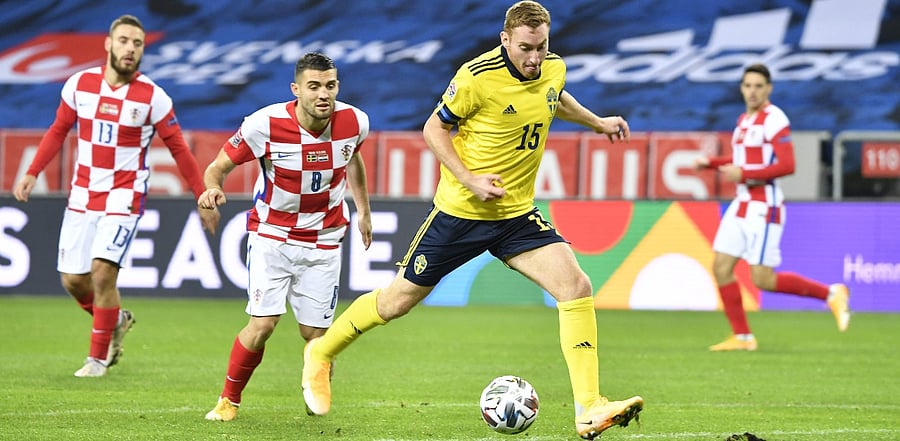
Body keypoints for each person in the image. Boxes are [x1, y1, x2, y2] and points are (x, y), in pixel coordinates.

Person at [300, 2, 642, 439]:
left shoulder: (553, 68)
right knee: (396, 302)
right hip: (460, 212)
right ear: (505, 40)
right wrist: (470, 178)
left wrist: (595, 122)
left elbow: (553, 100)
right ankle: (321, 353)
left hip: (516, 213)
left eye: (541, 47)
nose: (534, 58)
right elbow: (433, 129)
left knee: (575, 287)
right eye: (524, 48)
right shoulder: (476, 78)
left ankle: (590, 408)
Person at [13, 15, 217, 377]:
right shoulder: (80, 85)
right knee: (73, 281)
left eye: (137, 44)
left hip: (124, 196)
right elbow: (58, 130)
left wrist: (201, 196)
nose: (130, 49)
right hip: (82, 194)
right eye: (123, 41)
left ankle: (97, 358)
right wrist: (32, 172)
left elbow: (180, 150)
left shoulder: (153, 97)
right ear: (108, 44)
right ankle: (115, 320)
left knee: (103, 274)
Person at [200, 52, 373, 422]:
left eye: (330, 85)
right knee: (263, 324)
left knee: (318, 337)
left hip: (325, 239)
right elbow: (217, 167)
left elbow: (353, 158)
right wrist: (212, 190)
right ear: (296, 90)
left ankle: (314, 406)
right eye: (313, 87)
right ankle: (229, 400)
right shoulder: (263, 124)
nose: (323, 94)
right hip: (272, 236)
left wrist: (364, 212)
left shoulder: (355, 121)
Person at [694, 63, 851, 352]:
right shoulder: (744, 120)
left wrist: (746, 175)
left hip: (764, 206)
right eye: (747, 85)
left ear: (769, 88)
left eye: (758, 86)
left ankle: (831, 293)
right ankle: (742, 337)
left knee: (762, 279)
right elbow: (742, 160)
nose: (752, 91)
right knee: (720, 267)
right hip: (741, 203)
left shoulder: (775, 118)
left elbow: (788, 165)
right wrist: (712, 163)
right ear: (741, 88)